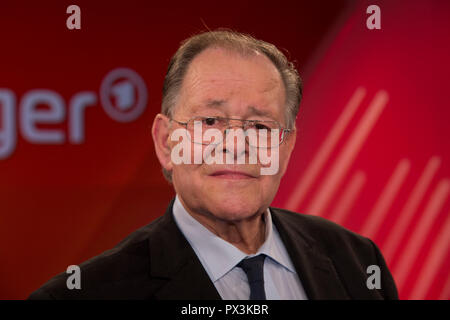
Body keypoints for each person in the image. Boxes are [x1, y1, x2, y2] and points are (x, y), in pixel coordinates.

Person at [28, 30, 398, 300]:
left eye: (259, 126)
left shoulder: (358, 261)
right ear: (166, 142)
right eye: (210, 122)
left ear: (286, 147)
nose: (236, 146)